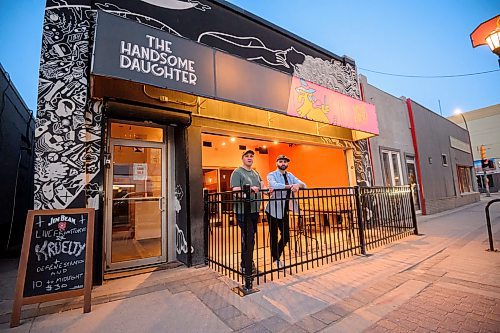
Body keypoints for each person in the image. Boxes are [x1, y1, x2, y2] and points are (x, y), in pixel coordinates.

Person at [266, 154, 306, 269]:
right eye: (281, 161)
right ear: (277, 163)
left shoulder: (290, 175)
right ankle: (276, 259)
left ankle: (276, 254)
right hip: (273, 209)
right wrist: (290, 186)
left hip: (284, 210)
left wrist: (298, 185)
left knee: (286, 235)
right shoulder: (272, 175)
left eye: (285, 162)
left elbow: (304, 184)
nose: (283, 163)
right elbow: (274, 185)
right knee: (273, 235)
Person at [230, 149, 265, 274]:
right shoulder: (237, 172)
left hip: (255, 210)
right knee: (249, 237)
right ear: (242, 158)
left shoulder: (256, 173)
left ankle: (246, 263)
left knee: (250, 237)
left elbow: (262, 186)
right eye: (247, 156)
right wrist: (249, 191)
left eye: (251, 156)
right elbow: (236, 191)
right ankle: (247, 266)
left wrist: (268, 190)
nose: (249, 158)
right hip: (243, 211)